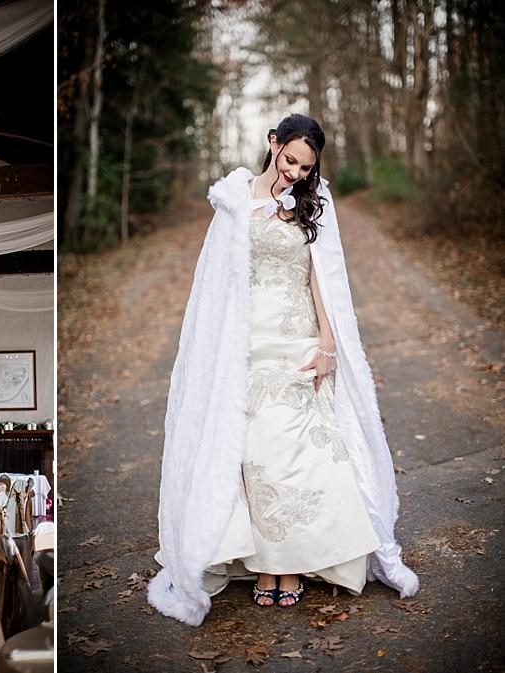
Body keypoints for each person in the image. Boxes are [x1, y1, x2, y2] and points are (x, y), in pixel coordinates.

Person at [148, 114, 418, 625]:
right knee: (250, 451)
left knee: (296, 447)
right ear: (272, 143)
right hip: (246, 343)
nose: (295, 172)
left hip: (297, 337)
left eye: (305, 166)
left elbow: (324, 280)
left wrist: (328, 345)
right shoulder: (234, 199)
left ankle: (291, 566)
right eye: (289, 159)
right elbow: (217, 284)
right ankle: (263, 566)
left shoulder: (316, 202)